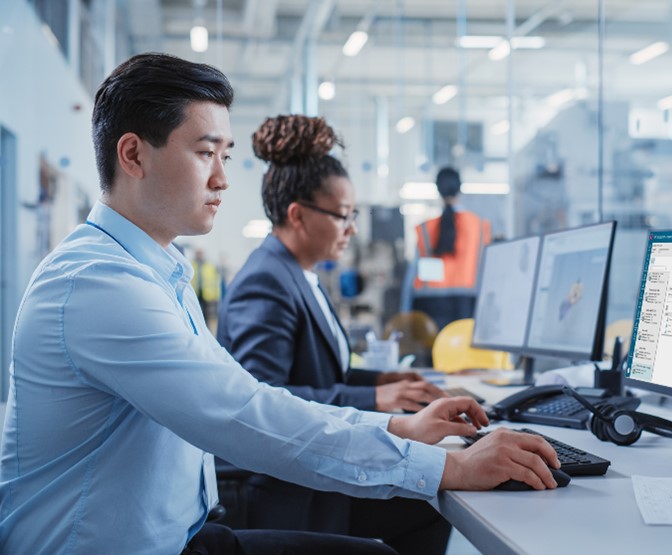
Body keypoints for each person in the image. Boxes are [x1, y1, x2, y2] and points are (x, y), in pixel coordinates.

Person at [0, 53, 561, 555]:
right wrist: (448, 465)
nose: (222, 178)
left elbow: (252, 395)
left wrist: (399, 428)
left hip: (186, 534)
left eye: (225, 155)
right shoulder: (100, 285)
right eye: (205, 154)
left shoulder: (157, 271)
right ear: (133, 155)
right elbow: (243, 416)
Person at [216, 115, 449, 553]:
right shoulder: (265, 281)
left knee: (427, 502)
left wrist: (385, 383)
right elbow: (267, 399)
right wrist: (376, 402)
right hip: (276, 489)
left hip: (303, 471)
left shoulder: (300, 274)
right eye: (343, 216)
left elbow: (325, 372)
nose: (352, 229)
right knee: (426, 499)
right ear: (298, 215)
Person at [409, 167, 491, 330]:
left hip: (431, 306)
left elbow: (413, 274)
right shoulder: (480, 226)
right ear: (460, 188)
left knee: (435, 354)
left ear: (437, 190)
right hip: (468, 304)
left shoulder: (426, 228)